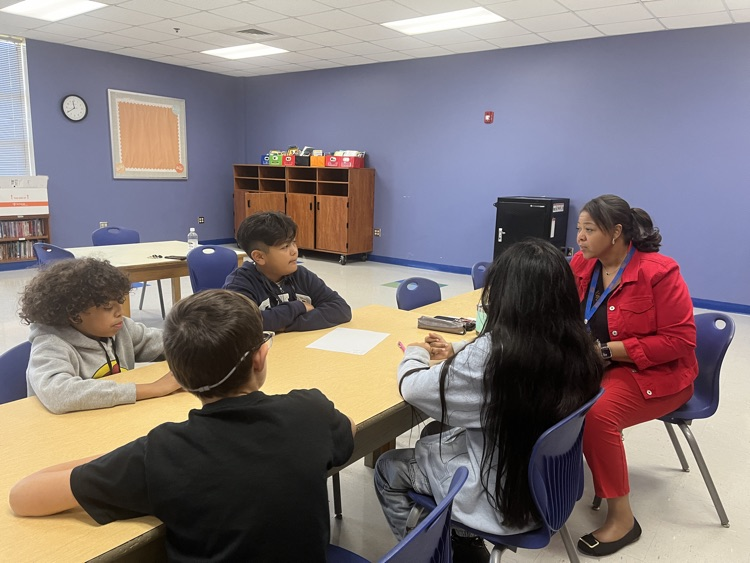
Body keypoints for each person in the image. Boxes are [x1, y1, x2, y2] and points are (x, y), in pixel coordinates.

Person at [9, 289, 356, 562]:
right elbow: (349, 429)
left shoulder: (161, 453)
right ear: (261, 357)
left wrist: (117, 459)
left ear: (180, 375)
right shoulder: (311, 411)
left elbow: (22, 496)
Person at [374, 240, 603, 563]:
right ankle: (462, 540)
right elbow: (504, 350)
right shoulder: (577, 343)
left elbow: (413, 388)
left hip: (503, 499)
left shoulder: (496, 358)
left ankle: (431, 556)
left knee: (388, 468)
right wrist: (458, 351)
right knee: (434, 434)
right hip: (549, 488)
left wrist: (417, 353)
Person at [571, 194, 698, 557]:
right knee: (539, 392)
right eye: (579, 229)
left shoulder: (659, 271)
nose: (579, 237)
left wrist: (609, 351)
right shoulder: (581, 265)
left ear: (616, 233)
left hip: (657, 374)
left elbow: (680, 339)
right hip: (597, 365)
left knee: (598, 415)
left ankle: (622, 519)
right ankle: (547, 491)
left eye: (589, 229)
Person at [19, 257, 179, 414]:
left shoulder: (121, 328)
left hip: (116, 417)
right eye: (108, 307)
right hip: (67, 432)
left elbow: (167, 343)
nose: (120, 312)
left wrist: (196, 343)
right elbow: (58, 394)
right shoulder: (51, 344)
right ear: (75, 315)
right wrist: (153, 388)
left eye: (120, 302)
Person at [223, 211, 352, 332]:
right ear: (259, 257)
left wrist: (283, 326)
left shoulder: (301, 275)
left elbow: (341, 309)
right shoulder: (240, 283)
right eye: (285, 247)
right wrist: (298, 307)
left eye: (293, 243)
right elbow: (241, 325)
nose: (294, 251)